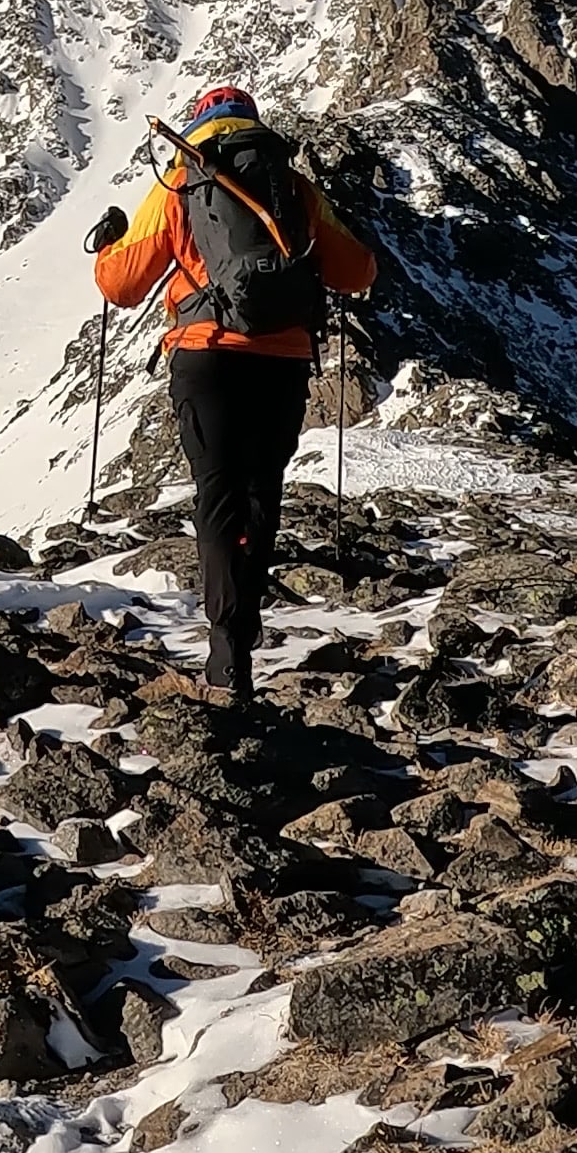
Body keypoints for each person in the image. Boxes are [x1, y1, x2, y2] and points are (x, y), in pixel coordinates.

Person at [87, 85, 379, 704]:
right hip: (283, 360)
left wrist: (108, 242)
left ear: (200, 127)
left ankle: (227, 647)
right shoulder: (292, 187)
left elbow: (122, 284)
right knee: (260, 492)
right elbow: (357, 274)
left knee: (217, 492)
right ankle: (243, 627)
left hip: (205, 353)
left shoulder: (179, 183)